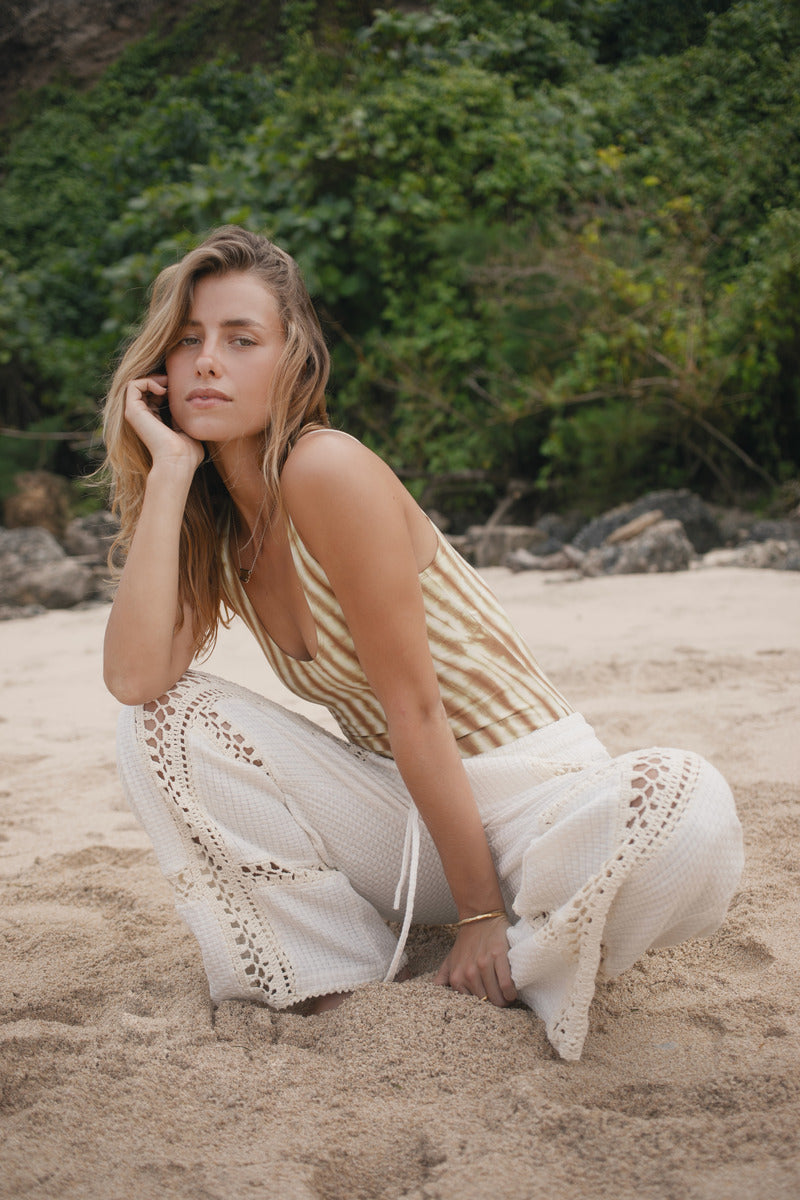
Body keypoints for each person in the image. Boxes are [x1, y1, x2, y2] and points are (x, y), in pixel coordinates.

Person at [102, 225, 743, 1060]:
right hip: (406, 813)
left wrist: (478, 912)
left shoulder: (325, 468)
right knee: (161, 721)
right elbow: (135, 676)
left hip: (535, 797)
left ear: (292, 360)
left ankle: (520, 941)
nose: (208, 362)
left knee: (686, 799)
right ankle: (340, 967)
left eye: (240, 339)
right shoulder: (219, 530)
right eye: (187, 342)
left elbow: (418, 704)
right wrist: (174, 472)